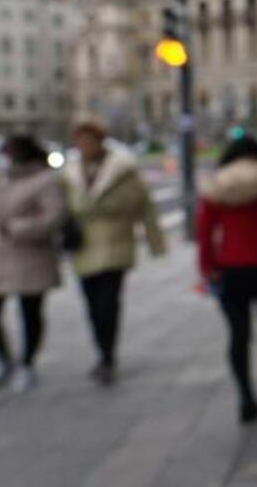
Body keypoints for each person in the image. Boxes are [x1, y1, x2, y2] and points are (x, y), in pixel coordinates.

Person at [196, 136, 257, 423]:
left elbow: (204, 231)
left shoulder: (218, 184)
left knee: (238, 334)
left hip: (231, 266)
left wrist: (208, 266)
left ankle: (246, 397)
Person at [63, 117, 166, 385]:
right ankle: (102, 349)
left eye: (89, 140)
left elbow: (145, 206)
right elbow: (61, 208)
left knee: (108, 303)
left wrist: (156, 243)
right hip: (83, 245)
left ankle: (107, 355)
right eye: (80, 141)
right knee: (91, 303)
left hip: (114, 241)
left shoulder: (122, 169)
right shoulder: (70, 171)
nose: (84, 145)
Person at [0, 135, 66, 393]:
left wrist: (18, 228)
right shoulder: (0, 179)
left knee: (30, 311)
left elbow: (55, 216)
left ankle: (27, 363)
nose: (6, 155)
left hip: (30, 254)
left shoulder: (45, 179)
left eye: (9, 151)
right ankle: (4, 361)